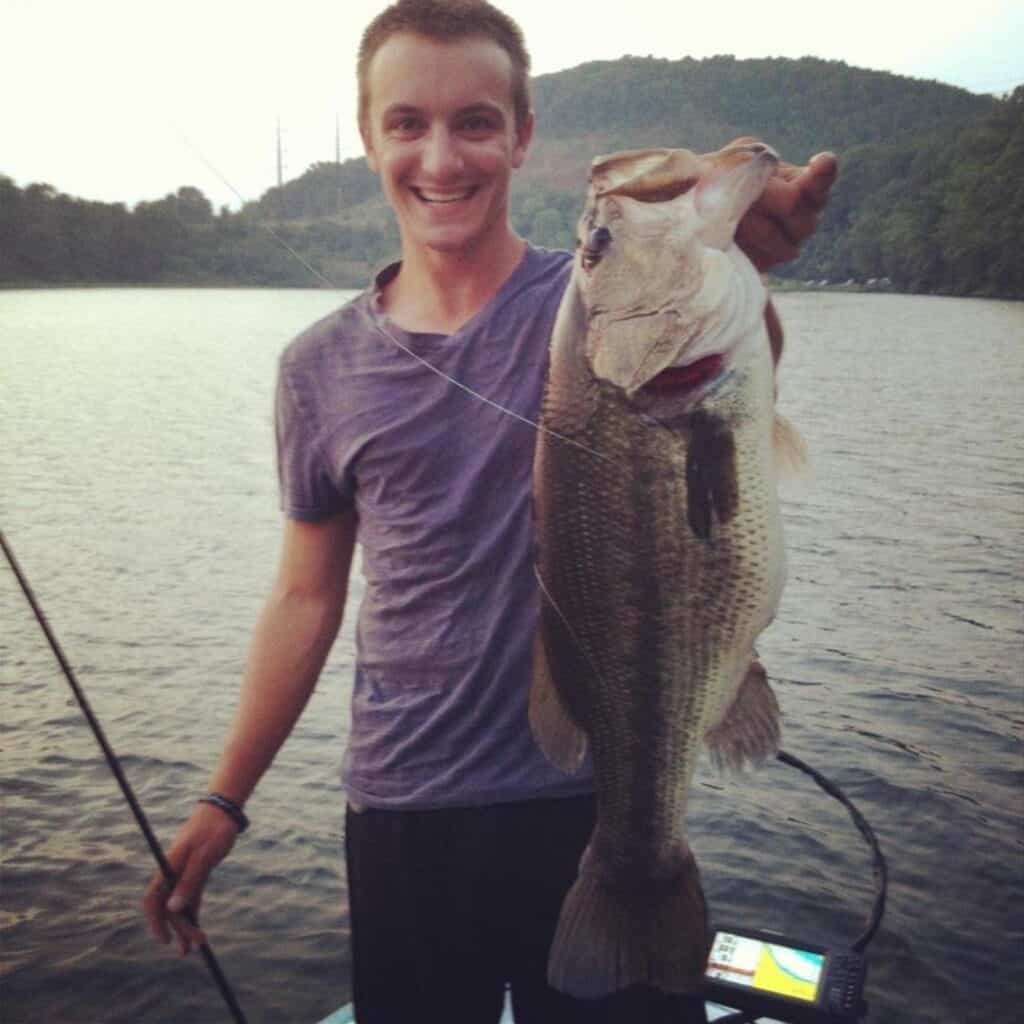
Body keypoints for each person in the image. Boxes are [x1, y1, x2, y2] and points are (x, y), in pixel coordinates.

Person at [144, 2, 838, 1021]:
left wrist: (747, 249)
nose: (441, 155)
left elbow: (730, 375)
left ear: (521, 137)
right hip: (406, 810)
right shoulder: (316, 368)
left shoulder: (593, 298)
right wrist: (223, 797)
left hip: (594, 787)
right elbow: (303, 597)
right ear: (370, 137)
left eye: (475, 122)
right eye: (407, 123)